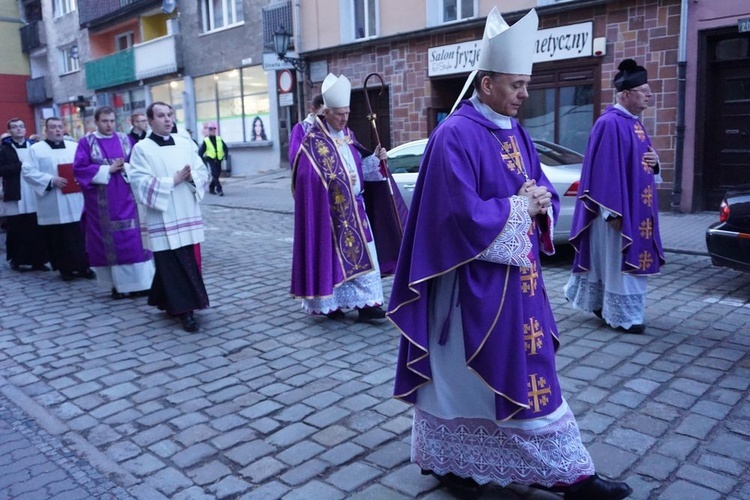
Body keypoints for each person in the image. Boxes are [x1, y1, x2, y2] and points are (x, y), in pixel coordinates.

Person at [387, 8, 632, 499]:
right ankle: (456, 461)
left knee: (528, 368)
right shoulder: (453, 135)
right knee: (463, 377)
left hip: (517, 281)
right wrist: (518, 208)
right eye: (517, 85)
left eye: (526, 84)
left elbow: (535, 185)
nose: (525, 94)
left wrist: (541, 203)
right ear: (486, 84)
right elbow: (455, 215)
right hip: (467, 287)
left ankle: (568, 471)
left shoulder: (515, 130)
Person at [564, 59, 665, 335]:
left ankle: (610, 308)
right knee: (615, 264)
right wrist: (612, 213)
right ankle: (621, 315)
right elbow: (603, 172)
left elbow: (643, 164)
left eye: (648, 90)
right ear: (626, 94)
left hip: (636, 208)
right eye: (644, 90)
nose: (649, 94)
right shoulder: (609, 123)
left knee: (618, 264)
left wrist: (655, 163)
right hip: (616, 213)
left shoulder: (636, 124)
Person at [290, 73, 400, 323]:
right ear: (325, 112)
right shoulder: (313, 142)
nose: (344, 119)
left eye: (347, 113)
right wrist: (335, 181)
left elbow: (359, 166)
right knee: (332, 260)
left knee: (367, 257)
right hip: (329, 213)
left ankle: (368, 305)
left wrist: (375, 160)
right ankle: (332, 305)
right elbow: (306, 178)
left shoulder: (348, 135)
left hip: (356, 209)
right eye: (339, 114)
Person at [128, 102, 210, 332]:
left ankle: (163, 298)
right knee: (172, 264)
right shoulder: (142, 149)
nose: (167, 120)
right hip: (161, 216)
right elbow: (139, 182)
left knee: (182, 262)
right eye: (161, 116)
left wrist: (191, 177)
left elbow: (202, 171)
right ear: (150, 121)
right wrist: (170, 181)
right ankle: (185, 311)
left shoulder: (185, 143)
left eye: (170, 115)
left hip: (186, 211)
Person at [73, 106, 155, 300]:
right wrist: (107, 170)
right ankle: (116, 286)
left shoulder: (126, 140)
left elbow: (139, 165)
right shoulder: (86, 143)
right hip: (102, 203)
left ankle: (141, 284)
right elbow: (79, 169)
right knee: (108, 243)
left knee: (135, 241)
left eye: (111, 121)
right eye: (104, 121)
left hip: (128, 198)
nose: (109, 125)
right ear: (96, 121)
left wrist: (124, 167)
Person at [22, 117, 93, 281]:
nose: (57, 130)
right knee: (59, 237)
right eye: (53, 127)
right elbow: (27, 171)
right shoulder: (36, 149)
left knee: (79, 235)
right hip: (53, 201)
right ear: (46, 130)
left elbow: (85, 167)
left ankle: (84, 267)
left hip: (76, 199)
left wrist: (81, 177)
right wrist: (50, 180)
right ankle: (65, 269)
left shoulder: (75, 147)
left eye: (60, 127)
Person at [0, 118, 48, 271]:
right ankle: (17, 259)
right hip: (16, 192)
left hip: (33, 191)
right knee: (16, 227)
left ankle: (38, 260)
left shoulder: (34, 147)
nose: (19, 129)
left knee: (35, 226)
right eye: (14, 127)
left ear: (25, 129)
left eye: (21, 126)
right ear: (10, 131)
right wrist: (18, 166)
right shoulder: (5, 149)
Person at [288, 94, 324, 164]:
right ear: (313, 109)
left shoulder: (330, 127)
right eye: (323, 112)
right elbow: (295, 155)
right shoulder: (300, 128)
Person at [198, 124, 228, 196]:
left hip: (219, 159)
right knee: (214, 174)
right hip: (211, 159)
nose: (212, 131)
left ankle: (211, 187)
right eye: (210, 130)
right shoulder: (206, 140)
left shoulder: (219, 139)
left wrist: (226, 155)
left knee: (217, 175)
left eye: (213, 130)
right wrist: (202, 160)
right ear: (208, 131)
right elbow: (201, 151)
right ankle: (219, 189)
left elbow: (225, 148)